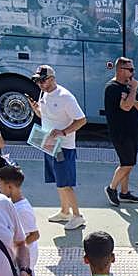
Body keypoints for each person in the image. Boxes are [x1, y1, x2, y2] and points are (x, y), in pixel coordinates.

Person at [28, 64, 87, 230]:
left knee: (65, 183)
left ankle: (77, 215)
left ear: (52, 79)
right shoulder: (44, 94)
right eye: (37, 80)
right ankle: (64, 211)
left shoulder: (65, 97)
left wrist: (64, 132)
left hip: (64, 147)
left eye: (42, 80)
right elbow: (46, 115)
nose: (39, 84)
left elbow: (81, 120)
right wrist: (37, 110)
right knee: (58, 181)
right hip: (49, 143)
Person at [0, 164, 43, 276]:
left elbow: (35, 234)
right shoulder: (14, 204)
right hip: (26, 253)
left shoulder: (22, 209)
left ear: (10, 186)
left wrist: (16, 248)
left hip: (27, 255)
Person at [104, 56, 138, 207]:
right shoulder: (112, 88)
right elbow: (126, 107)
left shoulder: (128, 86)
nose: (133, 72)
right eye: (131, 69)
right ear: (121, 70)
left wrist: (130, 98)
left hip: (132, 131)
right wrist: (133, 90)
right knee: (126, 163)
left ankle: (124, 192)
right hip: (120, 132)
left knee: (129, 163)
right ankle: (111, 188)